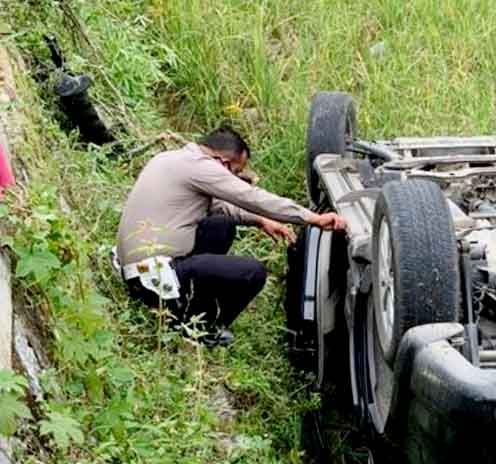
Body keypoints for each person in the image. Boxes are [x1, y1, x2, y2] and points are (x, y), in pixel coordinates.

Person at [116, 127, 345, 346]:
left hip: (141, 271)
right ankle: (198, 327)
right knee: (252, 272)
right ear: (224, 163)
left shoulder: (172, 159)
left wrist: (261, 221)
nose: (236, 178)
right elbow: (250, 197)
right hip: (155, 278)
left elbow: (222, 207)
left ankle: (191, 306)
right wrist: (310, 218)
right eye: (236, 173)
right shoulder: (202, 168)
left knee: (221, 226)